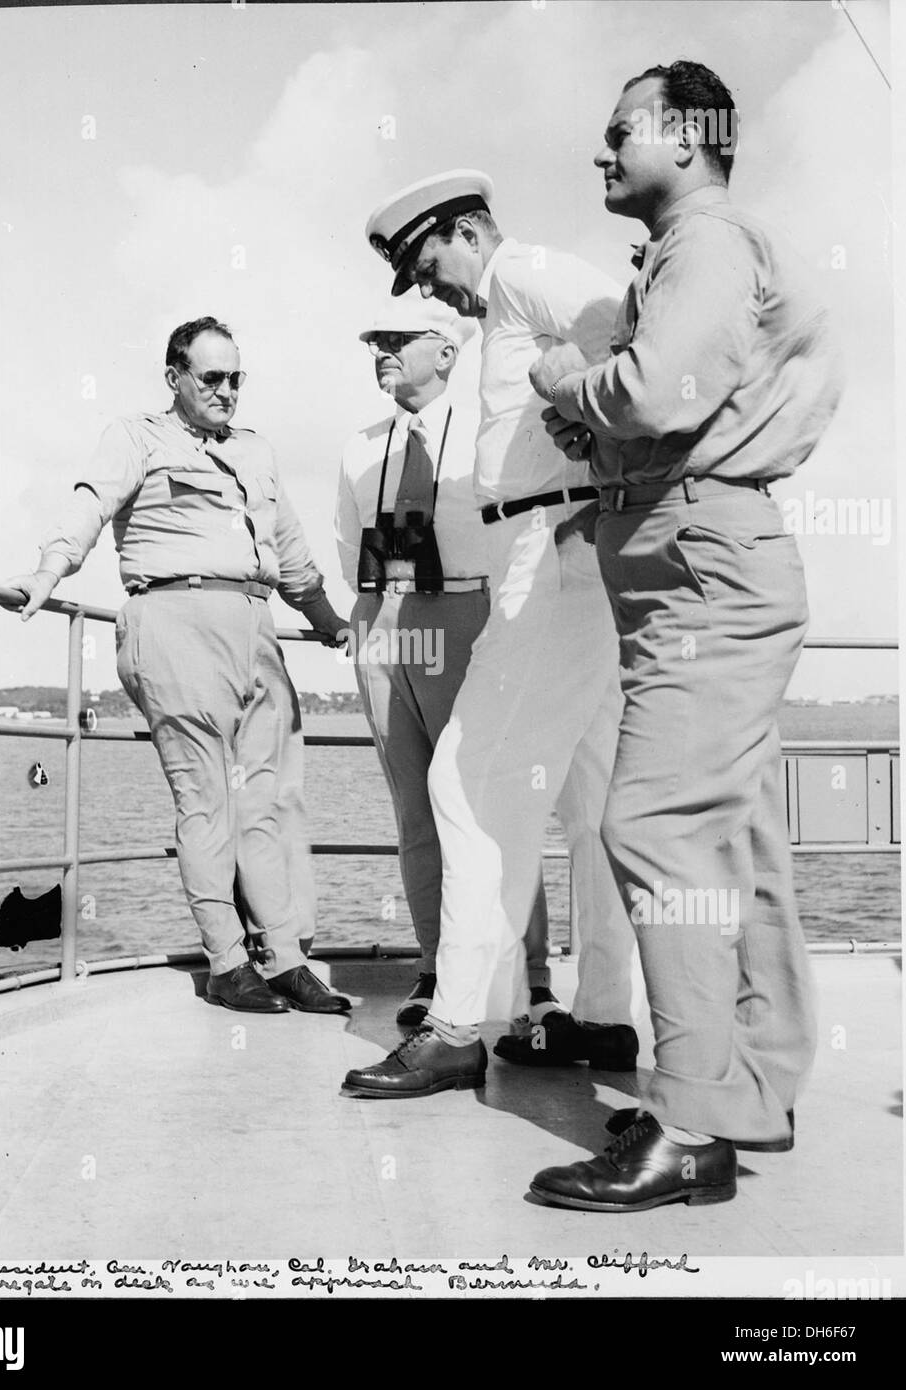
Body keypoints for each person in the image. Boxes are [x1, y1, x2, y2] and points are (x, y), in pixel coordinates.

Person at [527, 60, 843, 1210]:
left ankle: (689, 1129)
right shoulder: (693, 251)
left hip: (698, 565)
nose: (601, 153)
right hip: (699, 559)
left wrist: (564, 377)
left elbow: (654, 397)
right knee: (733, 840)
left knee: (655, 822)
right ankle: (751, 1089)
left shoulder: (706, 244)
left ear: (690, 137)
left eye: (620, 131)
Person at [342, 171, 640, 1099]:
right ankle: (600, 1019)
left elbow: (622, 336)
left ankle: (457, 1026)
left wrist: (598, 469)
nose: (429, 291)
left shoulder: (524, 274)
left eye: (428, 267)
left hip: (552, 552)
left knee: (463, 786)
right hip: (562, 545)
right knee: (592, 808)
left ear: (468, 232)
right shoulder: (502, 305)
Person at [7, 316, 351, 1015]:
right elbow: (90, 503)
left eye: (235, 379)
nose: (226, 392)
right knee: (207, 800)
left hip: (256, 628)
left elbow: (291, 552)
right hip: (173, 621)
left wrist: (330, 624)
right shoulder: (137, 436)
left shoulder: (257, 453)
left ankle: (284, 958)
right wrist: (48, 571)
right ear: (174, 379)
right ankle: (227, 962)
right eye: (211, 379)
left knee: (272, 801)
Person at [335, 293, 558, 1027]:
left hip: (464, 610)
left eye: (399, 338)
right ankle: (435, 969)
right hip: (380, 619)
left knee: (485, 802)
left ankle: (530, 980)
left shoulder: (481, 437)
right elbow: (347, 544)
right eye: (376, 339)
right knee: (414, 809)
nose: (383, 351)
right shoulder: (361, 445)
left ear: (448, 353)